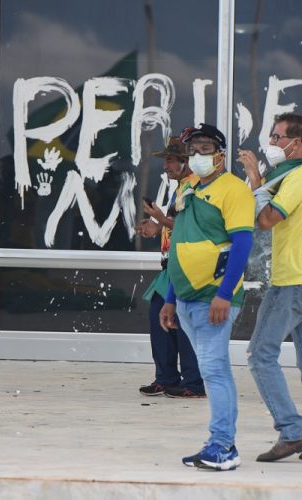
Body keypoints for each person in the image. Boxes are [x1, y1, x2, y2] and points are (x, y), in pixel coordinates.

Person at [238, 112, 302, 463]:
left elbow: (266, 221)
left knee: (260, 354)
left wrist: (254, 179)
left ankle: (292, 431)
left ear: (296, 143)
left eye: (276, 136)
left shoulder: (299, 177)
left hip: (293, 282)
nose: (271, 143)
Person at [159, 124, 254, 471]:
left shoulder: (234, 190)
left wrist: (225, 294)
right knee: (213, 370)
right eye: (192, 150)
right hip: (185, 300)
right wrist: (170, 298)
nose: (197, 155)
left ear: (221, 154)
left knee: (213, 371)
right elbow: (178, 246)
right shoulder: (188, 190)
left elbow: (242, 243)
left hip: (213, 298)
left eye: (204, 148)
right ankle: (218, 443)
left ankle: (223, 446)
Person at [134, 137, 205, 399]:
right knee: (159, 315)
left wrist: (161, 220)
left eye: (170, 160)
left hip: (188, 265)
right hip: (171, 266)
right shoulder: (181, 189)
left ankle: (194, 383)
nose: (165, 166)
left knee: (182, 322)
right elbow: (174, 223)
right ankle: (166, 378)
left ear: (186, 161)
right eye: (165, 161)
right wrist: (157, 227)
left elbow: (193, 227)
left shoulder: (197, 187)